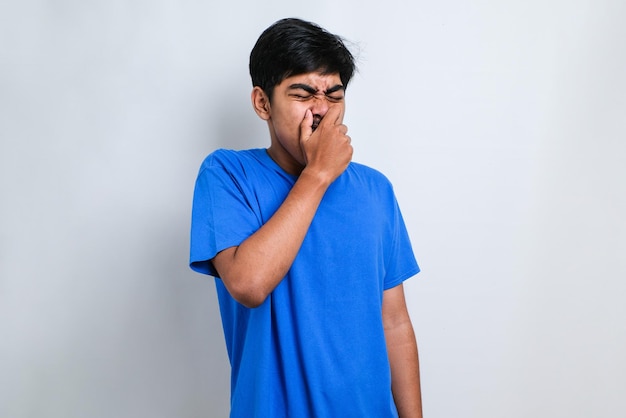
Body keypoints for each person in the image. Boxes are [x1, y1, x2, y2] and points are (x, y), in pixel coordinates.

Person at [190, 17, 423, 418]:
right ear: (263, 103)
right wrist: (318, 174)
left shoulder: (375, 190)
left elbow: (395, 323)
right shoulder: (227, 175)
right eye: (303, 94)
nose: (320, 110)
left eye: (334, 95)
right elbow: (248, 283)